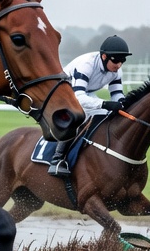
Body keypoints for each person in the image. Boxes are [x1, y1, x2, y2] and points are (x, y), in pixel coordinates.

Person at [49, 35, 130, 176]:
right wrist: (104, 103)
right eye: (116, 60)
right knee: (79, 115)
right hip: (62, 92)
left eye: (122, 61)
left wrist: (122, 103)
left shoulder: (116, 71)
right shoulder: (86, 64)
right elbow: (79, 97)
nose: (119, 65)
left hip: (85, 93)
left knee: (107, 115)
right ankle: (57, 159)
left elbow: (117, 94)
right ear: (104, 57)